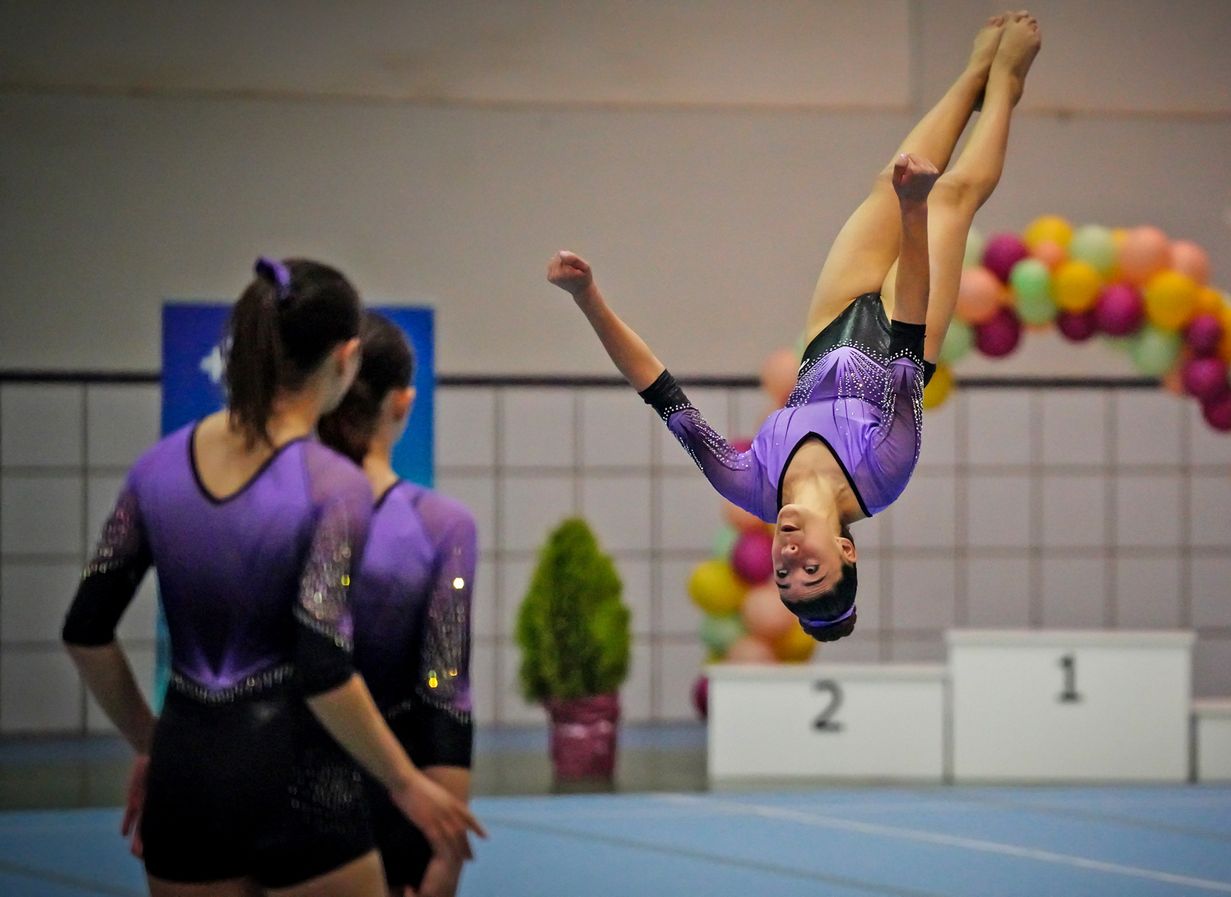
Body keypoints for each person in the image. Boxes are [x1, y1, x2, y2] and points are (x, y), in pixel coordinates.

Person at [547, 12, 1042, 640]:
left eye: (786, 576)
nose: (787, 559)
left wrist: (587, 296)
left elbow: (658, 389)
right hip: (900, 331)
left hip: (827, 330)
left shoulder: (746, 482)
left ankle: (971, 71)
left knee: (879, 189)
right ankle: (1003, 83)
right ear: (847, 550)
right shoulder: (884, 471)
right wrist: (914, 213)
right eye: (811, 567)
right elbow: (910, 339)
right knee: (951, 196)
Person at [63, 257, 482, 896]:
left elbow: (85, 631)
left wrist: (152, 745)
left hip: (184, 780)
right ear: (345, 360)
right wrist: (407, 784)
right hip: (301, 780)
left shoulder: (156, 469)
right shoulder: (329, 484)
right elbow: (322, 662)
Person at [319, 312, 476, 897]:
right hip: (396, 792)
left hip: (260, 787)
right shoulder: (438, 526)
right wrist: (446, 848)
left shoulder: (274, 505)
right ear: (403, 403)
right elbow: (445, 687)